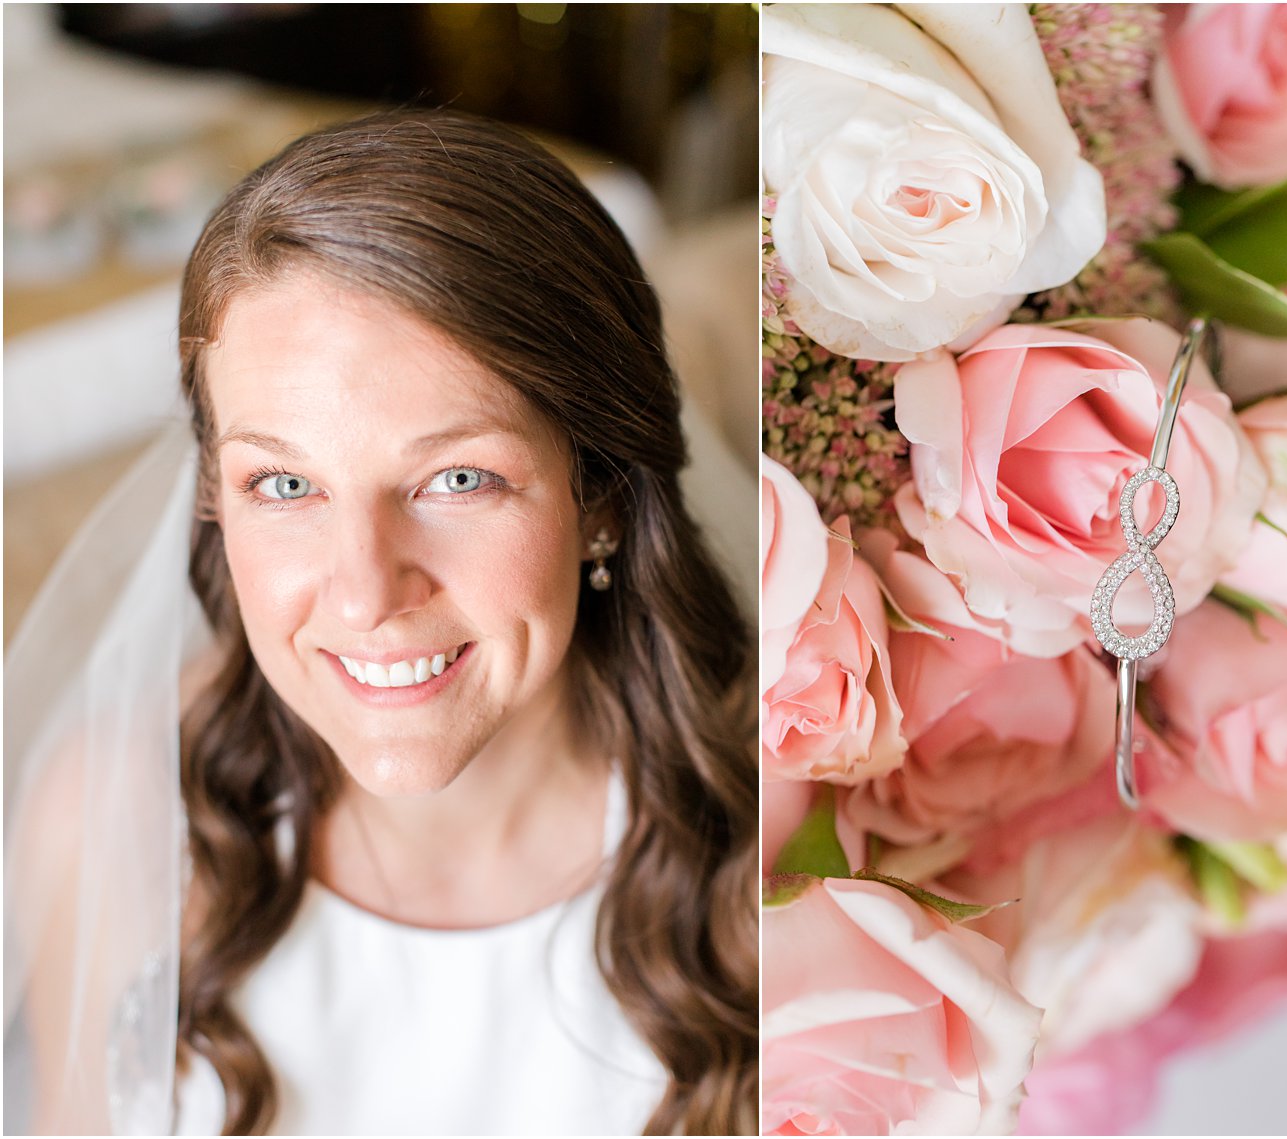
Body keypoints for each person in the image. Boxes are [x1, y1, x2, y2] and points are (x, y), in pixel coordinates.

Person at [3, 110, 758, 1136]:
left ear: (602, 495)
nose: (363, 594)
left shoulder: (777, 837)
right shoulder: (115, 815)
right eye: (284, 481)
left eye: (455, 478)